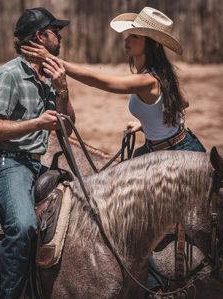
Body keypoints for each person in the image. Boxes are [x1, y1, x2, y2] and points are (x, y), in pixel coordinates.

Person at [21, 6, 206, 296]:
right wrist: (146, 123)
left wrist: (54, 61)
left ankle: (160, 284)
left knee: (145, 220)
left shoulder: (149, 79)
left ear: (149, 43)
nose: (126, 40)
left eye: (133, 36)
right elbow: (181, 105)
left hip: (174, 150)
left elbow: (104, 82)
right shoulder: (158, 74)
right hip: (164, 146)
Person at [0, 7, 75, 299]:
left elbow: (68, 129)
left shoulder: (49, 78)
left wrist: (63, 89)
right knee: (23, 225)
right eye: (56, 32)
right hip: (6, 162)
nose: (60, 37)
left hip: (34, 163)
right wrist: (37, 123)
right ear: (40, 36)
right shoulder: (9, 75)